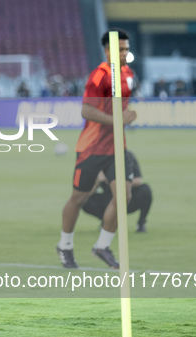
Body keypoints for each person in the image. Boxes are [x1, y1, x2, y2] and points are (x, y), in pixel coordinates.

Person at [56, 28, 137, 269]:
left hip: (117, 148)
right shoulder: (99, 75)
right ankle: (65, 245)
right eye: (120, 49)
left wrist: (123, 117)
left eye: (126, 49)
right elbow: (86, 111)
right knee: (78, 199)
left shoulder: (129, 74)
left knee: (124, 196)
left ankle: (102, 246)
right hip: (91, 149)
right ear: (107, 50)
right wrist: (119, 120)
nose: (124, 53)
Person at [82, 150, 152, 233]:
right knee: (85, 201)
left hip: (128, 196)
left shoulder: (127, 156)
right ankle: (106, 221)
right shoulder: (99, 159)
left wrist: (117, 181)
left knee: (145, 190)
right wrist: (97, 181)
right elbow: (88, 193)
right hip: (109, 198)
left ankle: (141, 222)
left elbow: (138, 180)